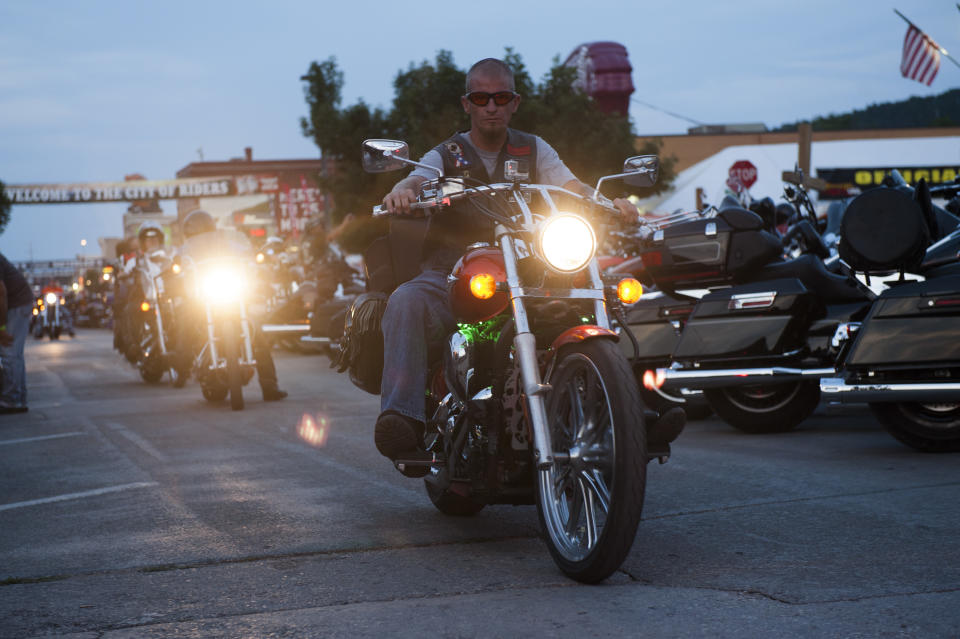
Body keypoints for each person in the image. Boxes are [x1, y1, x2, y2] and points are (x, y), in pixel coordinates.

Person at [373, 57, 639, 474]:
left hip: (530, 270)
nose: (491, 106)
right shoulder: (449, 153)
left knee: (607, 295)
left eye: (500, 97)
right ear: (467, 103)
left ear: (514, 102)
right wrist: (402, 191)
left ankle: (629, 406)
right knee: (406, 299)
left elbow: (571, 185)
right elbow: (417, 177)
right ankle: (403, 417)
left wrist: (611, 202)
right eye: (481, 97)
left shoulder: (535, 148)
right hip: (453, 272)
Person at [170, 209, 287, 401]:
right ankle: (181, 370)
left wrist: (254, 254)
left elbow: (244, 250)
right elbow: (177, 262)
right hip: (201, 299)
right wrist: (174, 267)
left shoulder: (226, 242)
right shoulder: (186, 250)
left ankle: (270, 386)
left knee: (255, 332)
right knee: (186, 326)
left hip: (230, 295)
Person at [0, 253, 33, 414]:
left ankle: (12, 400)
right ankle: (18, 398)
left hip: (17, 304)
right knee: (14, 354)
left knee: (9, 352)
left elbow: (1, 293)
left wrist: (1, 328)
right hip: (16, 302)